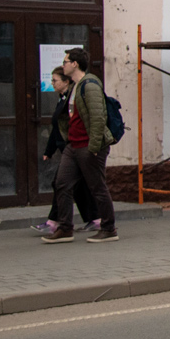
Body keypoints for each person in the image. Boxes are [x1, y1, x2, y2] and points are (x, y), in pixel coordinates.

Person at [43, 47, 117, 244]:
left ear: (74, 64)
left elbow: (97, 117)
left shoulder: (89, 85)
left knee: (97, 187)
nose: (64, 64)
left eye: (66, 61)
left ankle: (109, 228)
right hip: (73, 145)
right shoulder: (75, 86)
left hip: (89, 146)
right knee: (62, 184)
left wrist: (94, 147)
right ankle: (65, 228)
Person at [33, 67, 99, 235]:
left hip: (77, 147)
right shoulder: (62, 98)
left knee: (62, 183)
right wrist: (50, 150)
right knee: (78, 185)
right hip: (70, 148)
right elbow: (58, 128)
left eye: (55, 80)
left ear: (65, 81)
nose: (52, 83)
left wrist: (93, 145)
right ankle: (96, 219)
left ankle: (55, 222)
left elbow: (87, 120)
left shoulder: (72, 97)